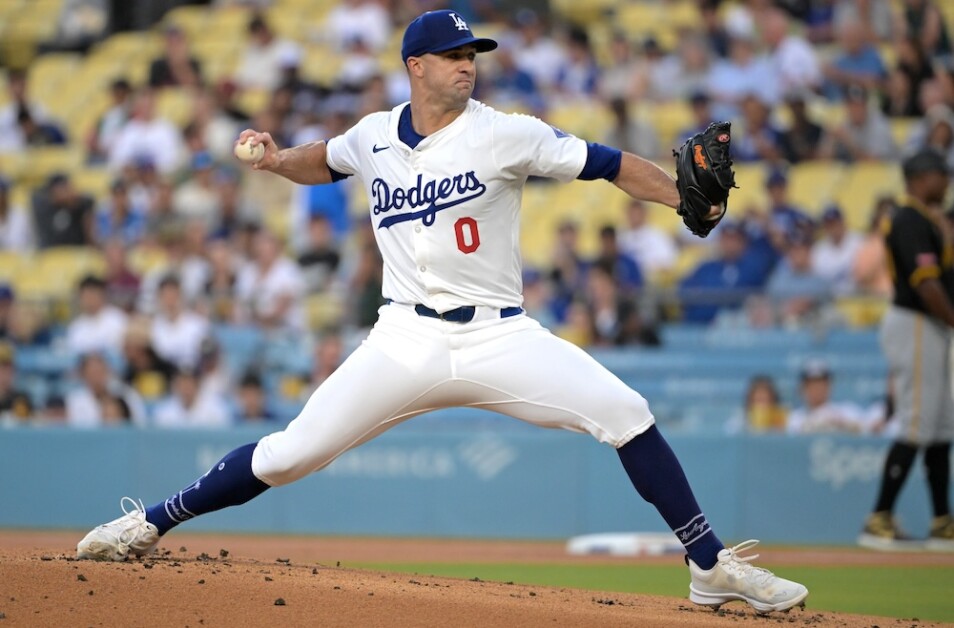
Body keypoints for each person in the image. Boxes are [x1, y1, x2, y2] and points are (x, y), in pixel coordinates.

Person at [77, 10, 808, 614]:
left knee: (626, 411)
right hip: (402, 338)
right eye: (453, 54)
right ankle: (148, 523)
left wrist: (680, 195)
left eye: (473, 54)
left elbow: (610, 164)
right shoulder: (371, 135)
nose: (468, 64)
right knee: (288, 455)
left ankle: (709, 565)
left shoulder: (505, 132)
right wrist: (273, 161)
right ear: (415, 66)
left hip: (499, 334)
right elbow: (323, 159)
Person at [859, 149, 954, 552]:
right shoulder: (908, 217)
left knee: (940, 424)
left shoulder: (926, 218)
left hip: (931, 325)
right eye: (940, 174)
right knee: (917, 420)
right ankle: (879, 518)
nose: (946, 181)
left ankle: (940, 521)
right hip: (915, 321)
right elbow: (926, 283)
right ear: (920, 177)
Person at [785, 360, 869, 434]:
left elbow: (866, 429)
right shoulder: (796, 417)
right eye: (811, 384)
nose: (817, 389)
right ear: (803, 388)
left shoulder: (847, 410)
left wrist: (842, 426)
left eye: (821, 384)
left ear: (829, 386)